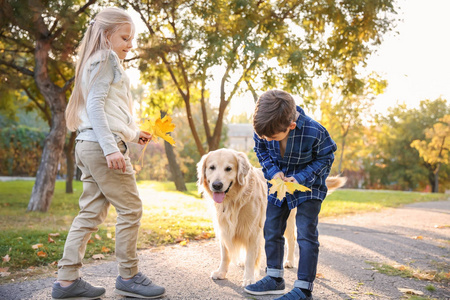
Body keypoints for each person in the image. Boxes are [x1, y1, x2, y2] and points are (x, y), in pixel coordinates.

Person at [52, 7, 165, 300]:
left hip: (88, 144)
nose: (130, 44)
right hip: (102, 148)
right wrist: (112, 147)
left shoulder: (94, 61)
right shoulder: (106, 58)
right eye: (125, 37)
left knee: (89, 213)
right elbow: (95, 107)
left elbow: (109, 110)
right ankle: (129, 276)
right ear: (106, 36)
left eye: (131, 39)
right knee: (131, 209)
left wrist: (132, 132)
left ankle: (66, 281)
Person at [244, 90, 337, 300]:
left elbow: (326, 158)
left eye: (272, 137)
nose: (266, 139)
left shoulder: (315, 131)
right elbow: (262, 151)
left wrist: (302, 177)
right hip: (279, 183)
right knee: (271, 227)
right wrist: (272, 171)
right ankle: (275, 278)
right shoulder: (264, 128)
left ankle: (304, 289)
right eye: (263, 136)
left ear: (291, 126)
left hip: (309, 186)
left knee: (305, 233)